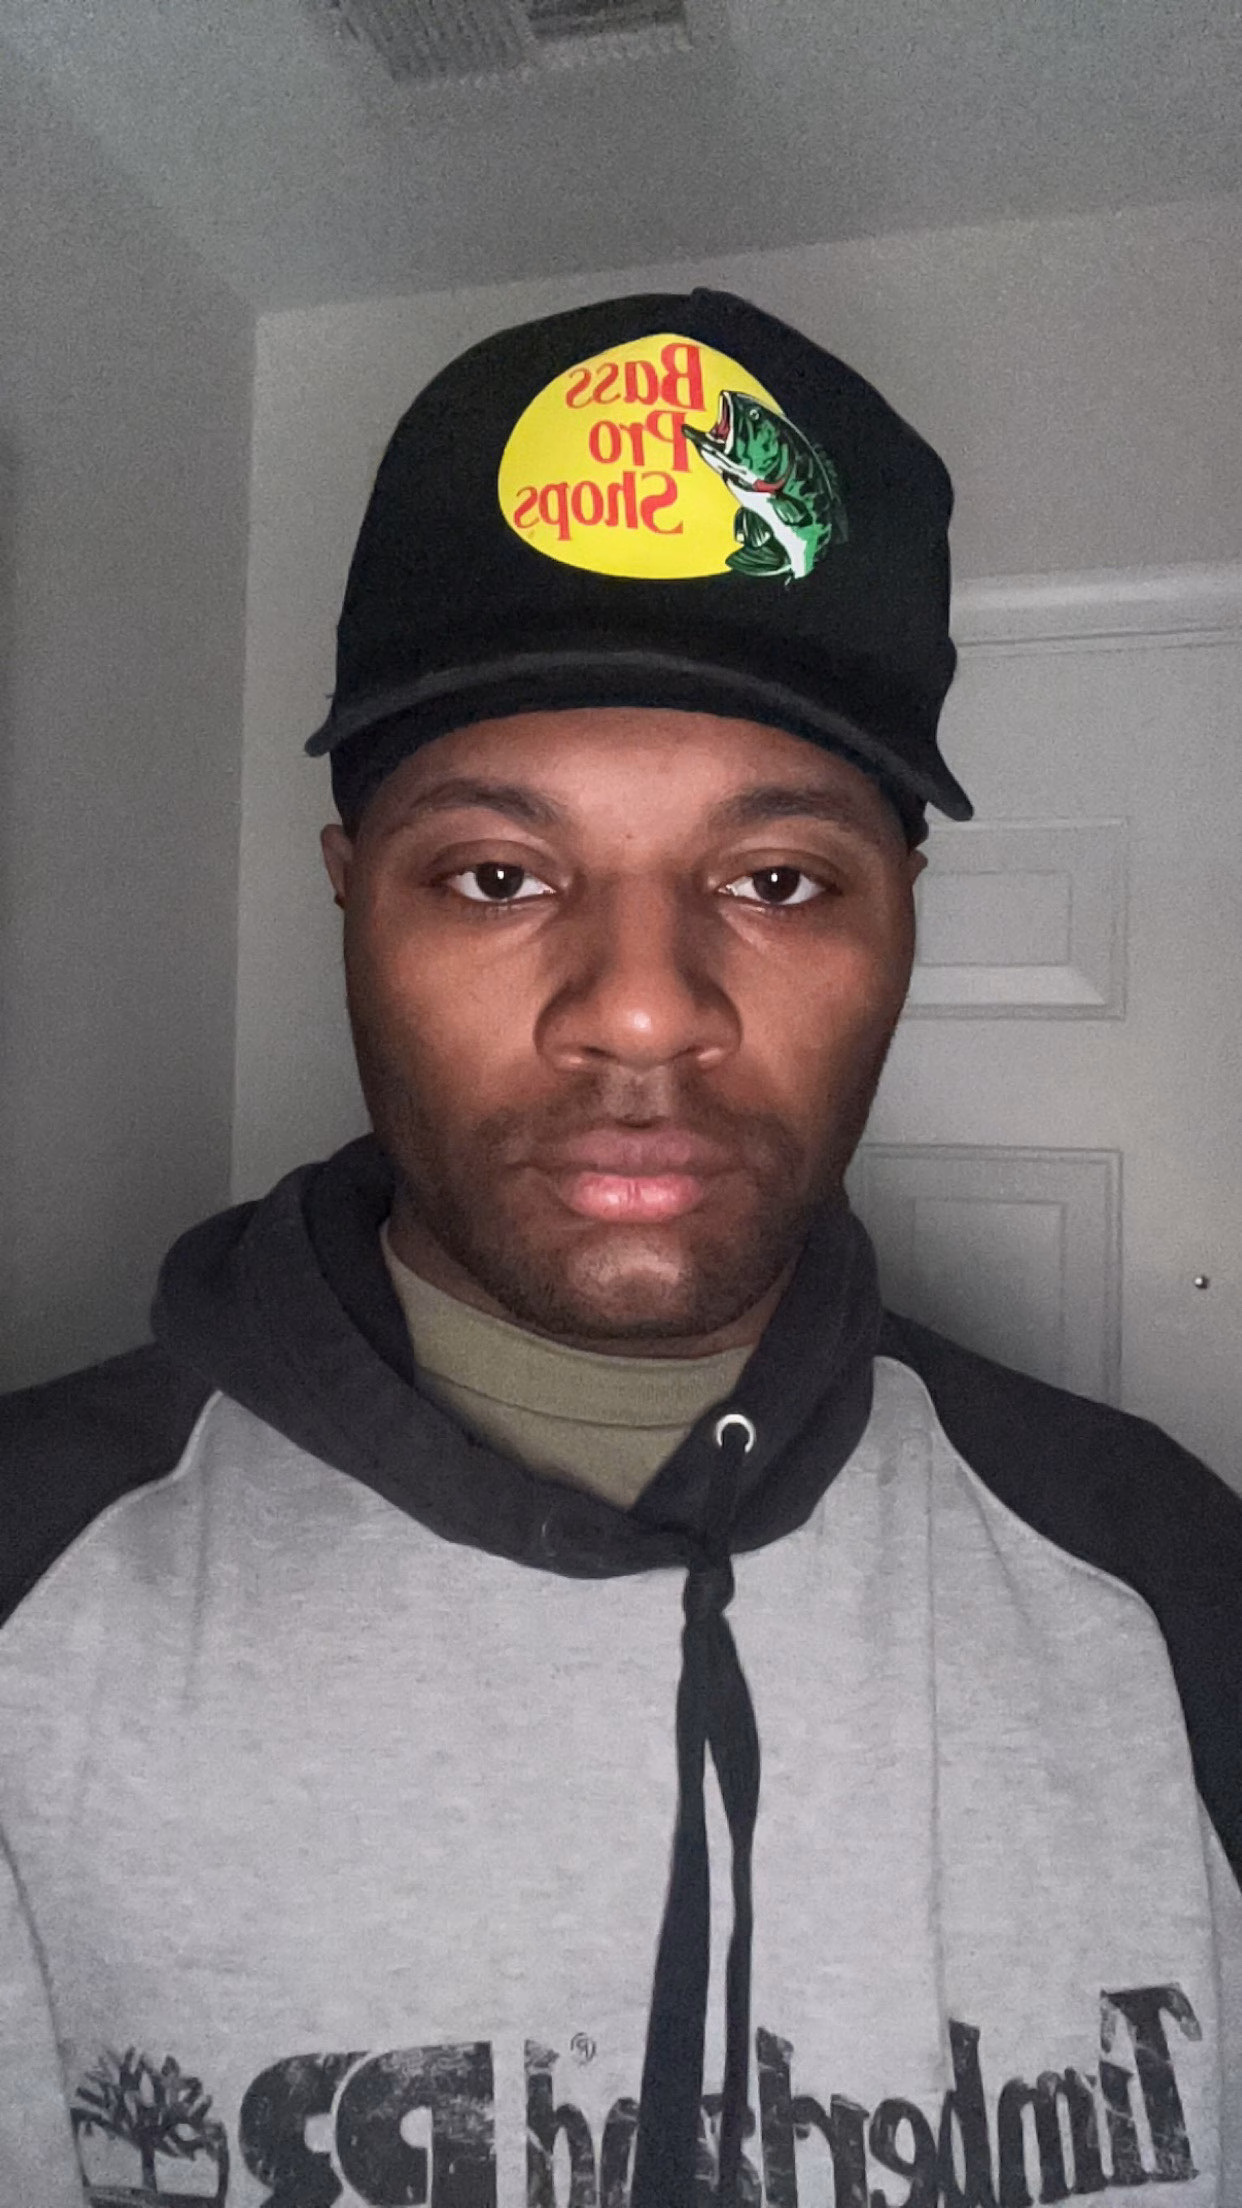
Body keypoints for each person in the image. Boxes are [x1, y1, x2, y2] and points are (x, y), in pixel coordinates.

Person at [1, 288, 1239, 2206]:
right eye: (499, 874)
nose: (643, 1009)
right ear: (351, 899)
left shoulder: (1166, 1580)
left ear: (901, 919)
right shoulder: (27, 1580)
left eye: (777, 879)